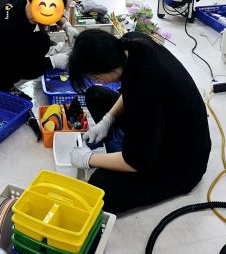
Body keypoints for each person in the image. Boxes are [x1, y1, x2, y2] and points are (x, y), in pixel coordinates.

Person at [67, 30, 211, 214]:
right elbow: (131, 89)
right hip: (162, 127)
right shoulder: (132, 43)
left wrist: (88, 159)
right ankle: (130, 145)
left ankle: (130, 148)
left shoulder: (145, 90)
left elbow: (135, 162)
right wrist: (107, 119)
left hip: (181, 163)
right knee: (96, 95)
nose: (99, 81)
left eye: (95, 77)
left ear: (109, 66)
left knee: (100, 190)